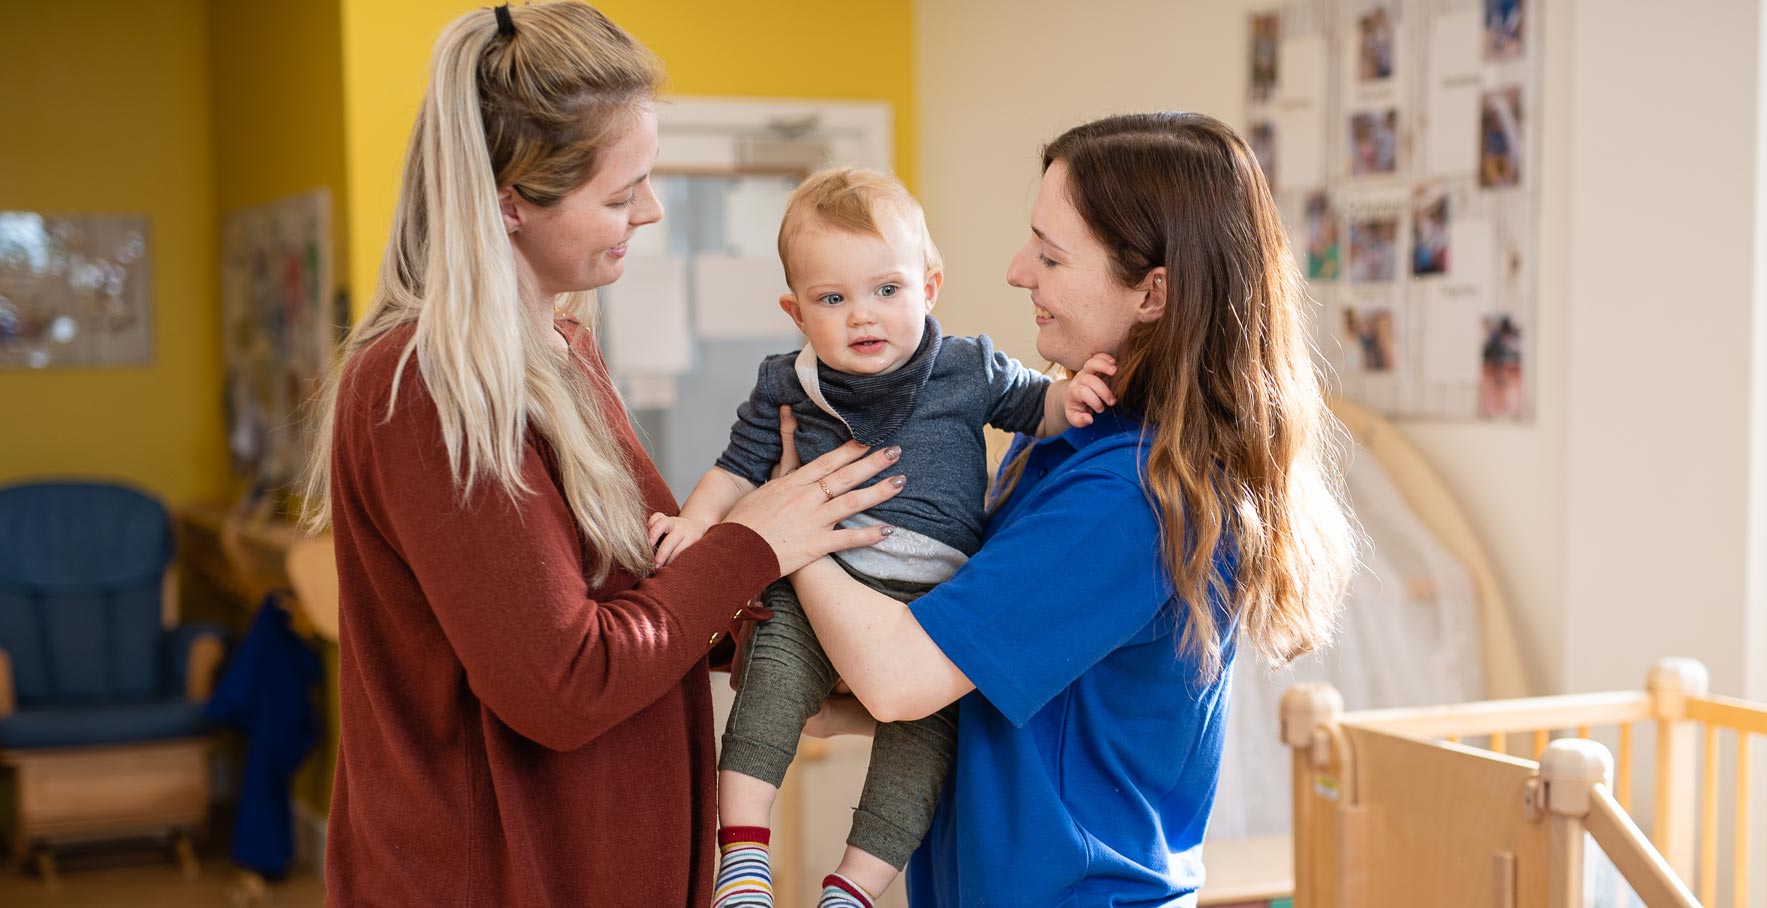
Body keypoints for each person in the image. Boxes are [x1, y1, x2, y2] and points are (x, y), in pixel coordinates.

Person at [295, 5, 903, 906]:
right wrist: (756, 543)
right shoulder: (429, 381)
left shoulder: (560, 348)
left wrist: (805, 656)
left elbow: (636, 597)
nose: (651, 211)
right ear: (510, 201)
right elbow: (564, 682)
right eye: (621, 195)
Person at [784, 112, 1357, 906]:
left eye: (1051, 255)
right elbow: (1003, 690)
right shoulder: (1067, 438)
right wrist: (815, 688)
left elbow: (899, 680)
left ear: (1153, 292)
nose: (1019, 271)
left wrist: (794, 529)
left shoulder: (1134, 497)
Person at [647, 166, 1115, 908]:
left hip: (930, 602)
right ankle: (741, 860)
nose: (863, 316)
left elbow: (1037, 405)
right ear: (796, 312)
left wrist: (1071, 399)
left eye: (886, 291)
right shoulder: (789, 382)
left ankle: (853, 890)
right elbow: (737, 469)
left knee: (924, 746)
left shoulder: (967, 366)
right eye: (833, 299)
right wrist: (697, 522)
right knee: (767, 686)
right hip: (818, 584)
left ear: (928, 288)